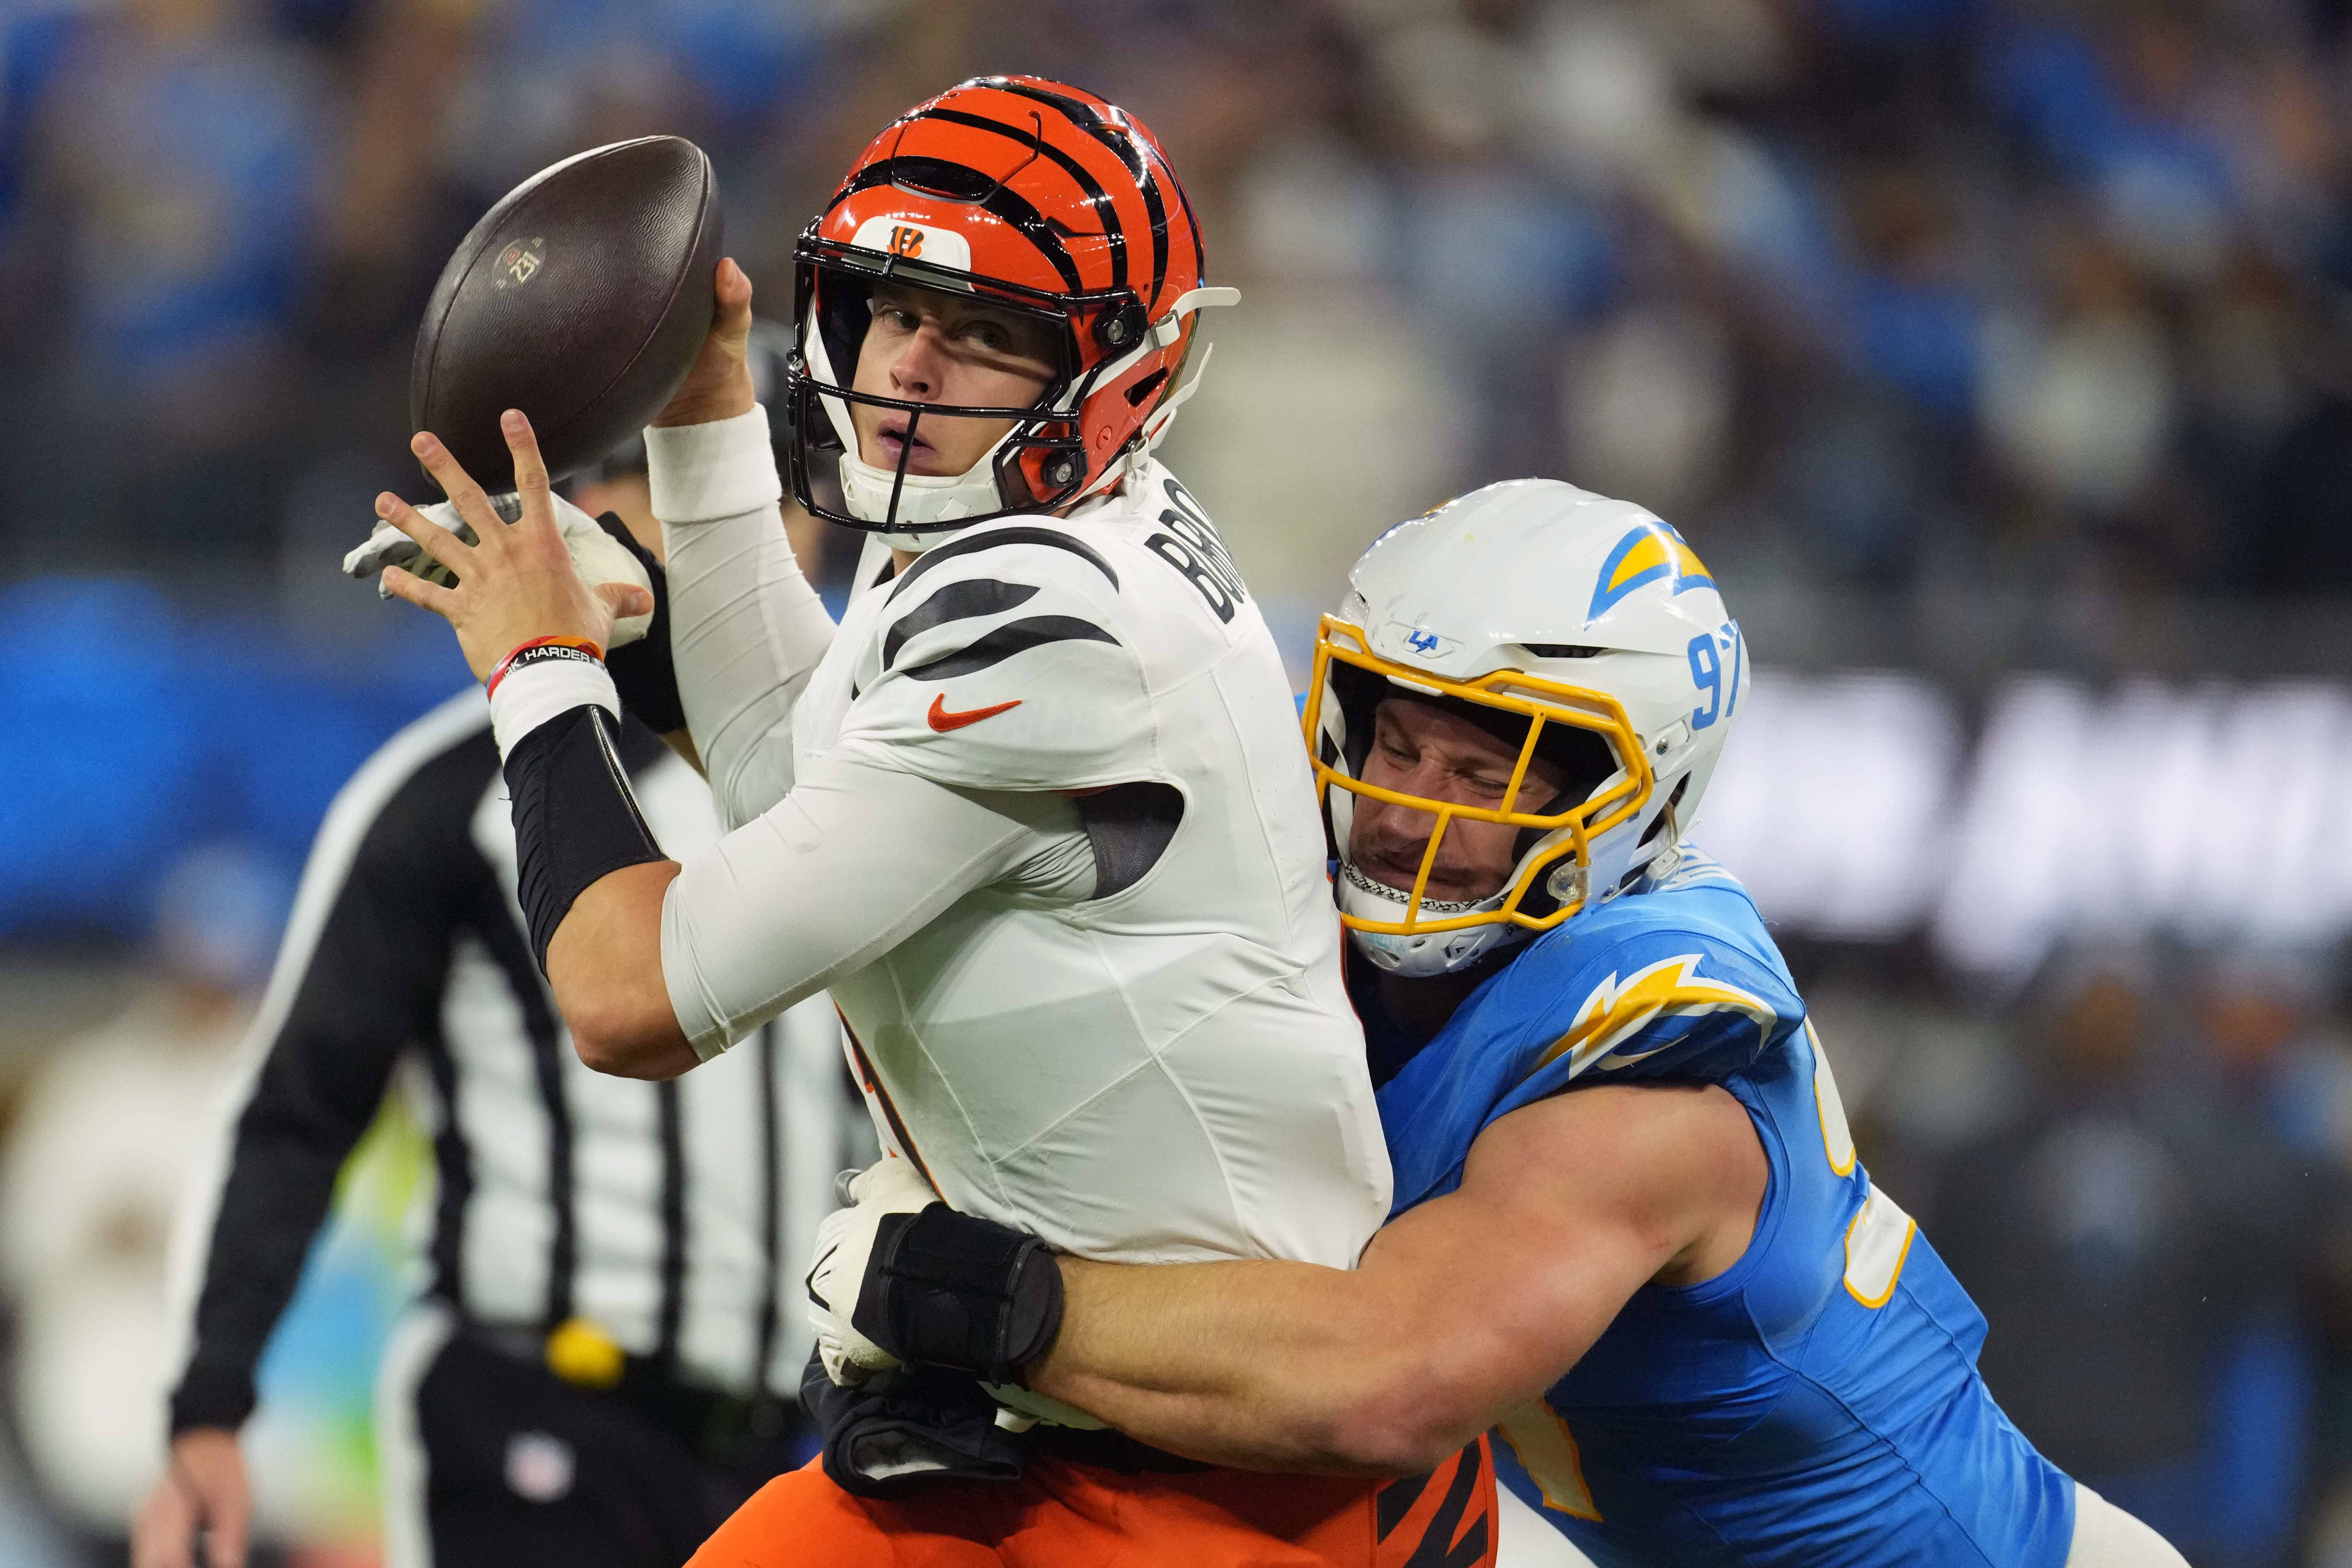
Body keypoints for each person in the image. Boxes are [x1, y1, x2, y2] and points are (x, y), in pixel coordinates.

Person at [359, 75, 1485, 1568]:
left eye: (989, 336)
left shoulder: (1056, 630)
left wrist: (541, 667)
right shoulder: (1028, 519)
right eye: (890, 307)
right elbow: (790, 770)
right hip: (1050, 1425)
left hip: (1223, 1469)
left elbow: (629, 996)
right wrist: (699, 415)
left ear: (1117, 370)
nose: (907, 367)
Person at [809, 479, 2194, 1567]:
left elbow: (1382, 1384)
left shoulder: (1653, 1090)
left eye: (1494, 769)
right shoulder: (1355, 935)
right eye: (1401, 742)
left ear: (1634, 800)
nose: (1414, 810)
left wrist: (975, 1293)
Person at [130, 532, 866, 1568]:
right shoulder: (450, 795)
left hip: (783, 1446)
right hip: (535, 1404)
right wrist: (211, 1393)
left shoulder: (848, 783)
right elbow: (303, 1105)